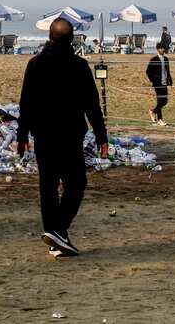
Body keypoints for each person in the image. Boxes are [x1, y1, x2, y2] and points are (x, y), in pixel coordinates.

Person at [17, 17, 108, 258]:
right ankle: (58, 231)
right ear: (72, 39)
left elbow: (26, 103)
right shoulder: (78, 65)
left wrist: (22, 134)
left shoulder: (35, 64)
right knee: (76, 184)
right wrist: (101, 136)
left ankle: (55, 234)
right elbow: (92, 105)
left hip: (44, 135)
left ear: (49, 36)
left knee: (47, 185)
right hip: (70, 135)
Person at [146, 41, 173, 126]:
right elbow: (148, 72)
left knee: (165, 101)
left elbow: (167, 71)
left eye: (163, 48)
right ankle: (159, 119)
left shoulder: (166, 59)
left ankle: (153, 111)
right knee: (160, 100)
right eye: (161, 48)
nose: (163, 49)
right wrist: (154, 79)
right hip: (157, 83)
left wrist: (170, 79)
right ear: (157, 49)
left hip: (164, 82)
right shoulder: (153, 59)